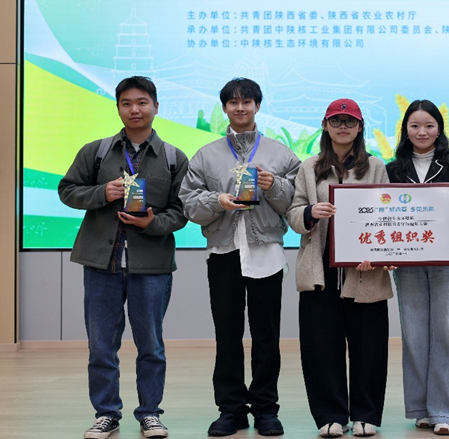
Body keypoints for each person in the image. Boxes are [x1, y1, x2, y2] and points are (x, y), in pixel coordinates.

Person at [58, 76, 189, 439]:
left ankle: (150, 414)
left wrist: (152, 223)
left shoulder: (174, 157)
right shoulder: (96, 151)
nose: (135, 109)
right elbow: (67, 191)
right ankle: (106, 413)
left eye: (142, 102)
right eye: (127, 103)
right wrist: (104, 192)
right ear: (118, 108)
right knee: (101, 347)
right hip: (102, 263)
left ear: (156, 107)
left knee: (151, 346)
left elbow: (182, 211)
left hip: (152, 265)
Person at [179, 78, 301, 437]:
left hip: (267, 253)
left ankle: (265, 409)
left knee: (267, 337)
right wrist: (217, 201)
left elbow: (296, 202)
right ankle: (231, 410)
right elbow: (189, 203)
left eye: (247, 101)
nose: (240, 108)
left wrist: (273, 185)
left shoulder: (281, 154)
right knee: (227, 335)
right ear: (224, 108)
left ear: (257, 106)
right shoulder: (206, 155)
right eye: (233, 102)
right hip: (223, 252)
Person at [287, 98, 393, 438]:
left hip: (365, 271)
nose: (343, 127)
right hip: (319, 271)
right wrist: (310, 213)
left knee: (369, 348)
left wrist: (378, 252)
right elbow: (293, 212)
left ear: (360, 127)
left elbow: (387, 214)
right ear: (325, 125)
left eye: (350, 121)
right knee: (321, 347)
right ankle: (330, 415)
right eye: (336, 121)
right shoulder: (309, 166)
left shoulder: (375, 166)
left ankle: (366, 414)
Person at [385, 100, 449, 436]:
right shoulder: (393, 169)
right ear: (405, 130)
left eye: (428, 125)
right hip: (407, 260)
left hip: (447, 259)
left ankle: (448, 412)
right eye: (415, 126)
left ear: (439, 129)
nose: (422, 132)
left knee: (448, 332)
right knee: (414, 334)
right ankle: (421, 408)